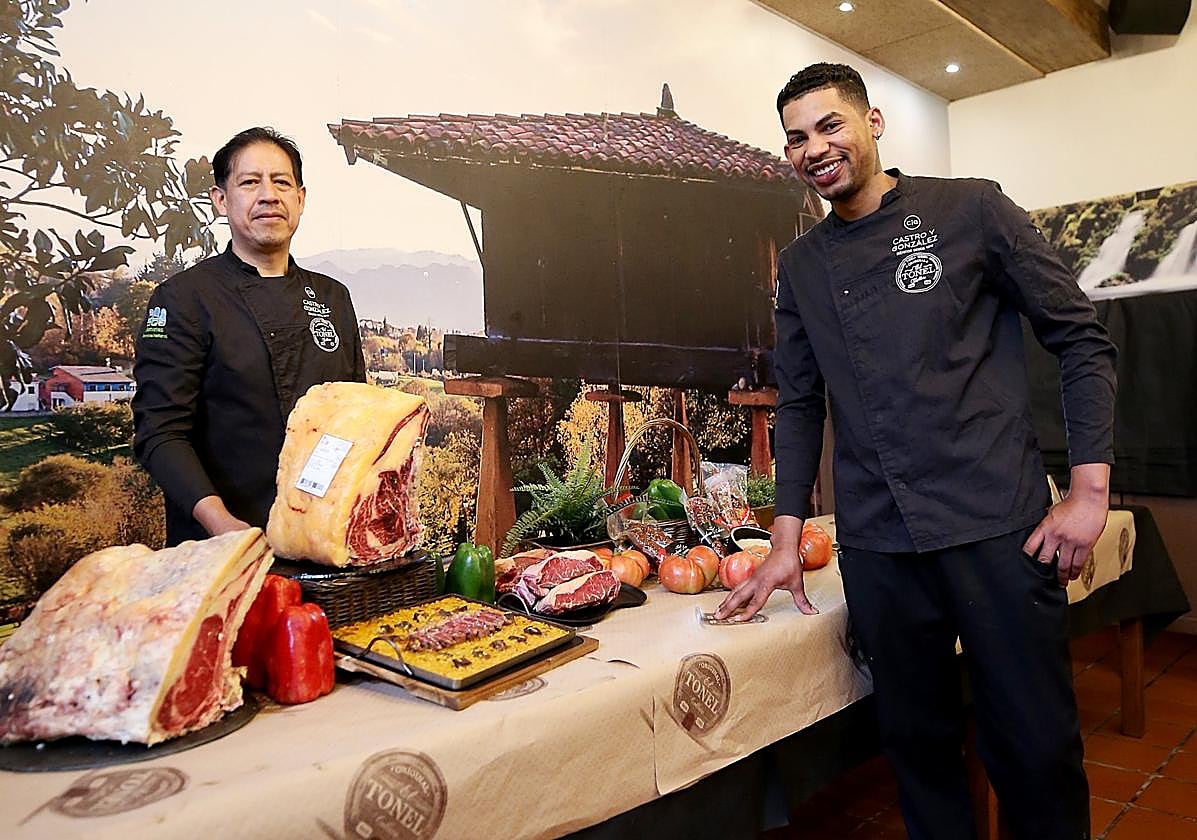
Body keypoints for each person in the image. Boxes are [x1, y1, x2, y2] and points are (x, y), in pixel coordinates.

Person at [716, 64, 1116, 840]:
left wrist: (1088, 491)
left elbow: (1079, 337)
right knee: (918, 752)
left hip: (995, 523)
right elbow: (799, 404)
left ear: (871, 121)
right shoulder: (801, 267)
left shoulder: (970, 208)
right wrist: (784, 541)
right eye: (795, 138)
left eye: (829, 126)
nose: (814, 148)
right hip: (878, 541)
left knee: (1034, 751)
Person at [133, 127, 366, 545]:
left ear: (301, 198)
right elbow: (160, 434)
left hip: (321, 542)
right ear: (221, 200)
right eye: (249, 182)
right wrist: (222, 524)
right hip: (221, 548)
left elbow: (356, 419)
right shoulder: (184, 298)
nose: (269, 195)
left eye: (281, 182)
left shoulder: (333, 296)